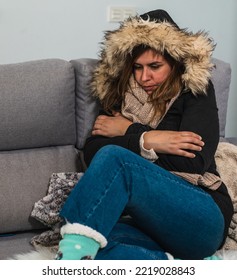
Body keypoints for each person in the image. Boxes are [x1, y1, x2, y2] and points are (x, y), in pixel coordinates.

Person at [56, 9, 234, 260]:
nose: (143, 77)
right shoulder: (120, 96)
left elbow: (192, 162)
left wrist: (130, 131)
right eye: (137, 67)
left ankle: (68, 263)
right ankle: (176, 264)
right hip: (149, 222)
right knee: (95, 238)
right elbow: (92, 151)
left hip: (202, 215)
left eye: (154, 66)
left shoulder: (195, 91)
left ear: (175, 62)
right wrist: (149, 141)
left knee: (117, 158)